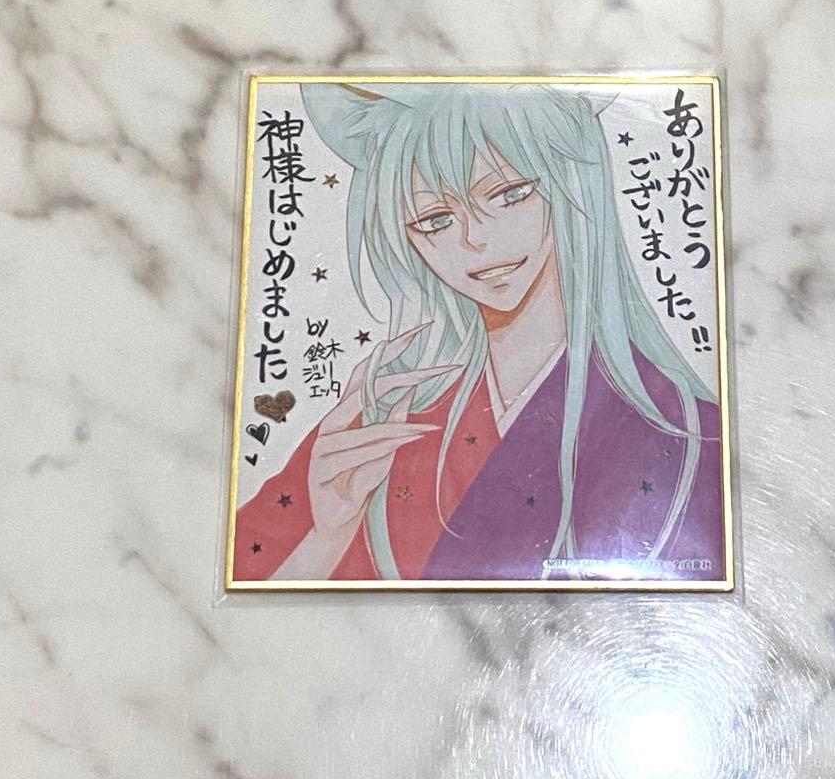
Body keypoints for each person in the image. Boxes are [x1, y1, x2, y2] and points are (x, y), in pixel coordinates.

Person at [234, 82, 723, 582]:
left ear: (571, 183)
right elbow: (241, 587)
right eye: (435, 220)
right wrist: (329, 532)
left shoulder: (684, 426)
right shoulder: (385, 408)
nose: (476, 239)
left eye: (510, 194)